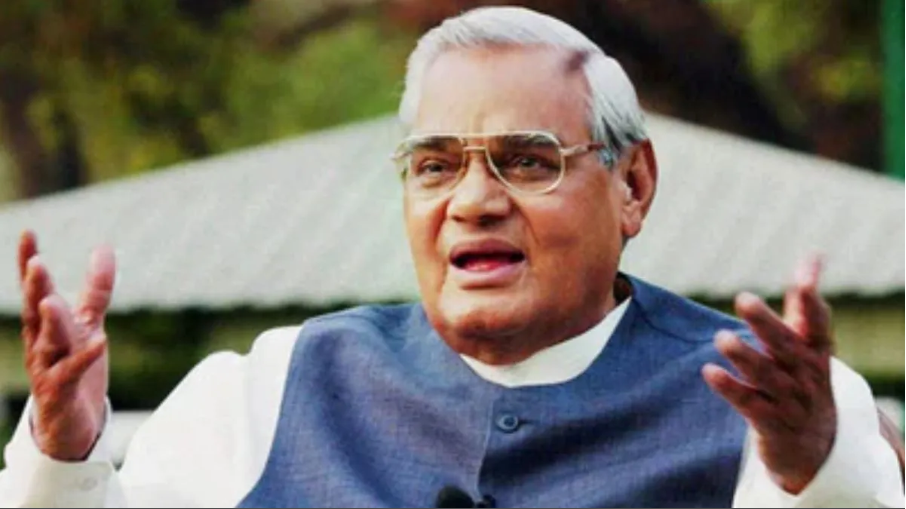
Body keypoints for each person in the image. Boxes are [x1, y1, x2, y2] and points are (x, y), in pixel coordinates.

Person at [1, 7, 903, 508]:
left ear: (632, 185)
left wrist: (812, 467)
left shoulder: (773, 409)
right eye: (435, 166)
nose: (473, 201)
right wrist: (65, 447)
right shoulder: (269, 388)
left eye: (526, 160)